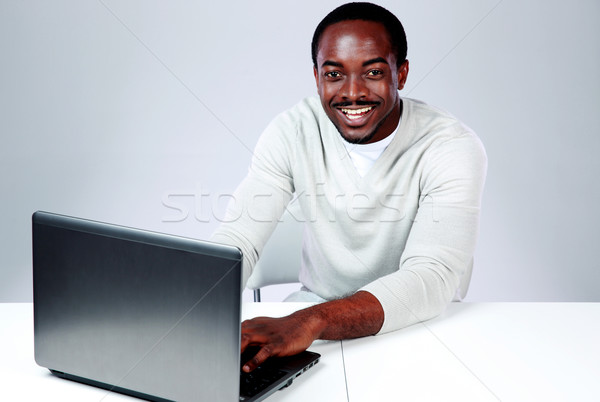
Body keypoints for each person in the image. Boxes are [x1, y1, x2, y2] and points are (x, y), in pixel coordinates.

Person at [211, 2, 487, 373]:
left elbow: (431, 278)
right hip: (312, 309)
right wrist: (186, 316)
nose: (353, 93)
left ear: (401, 73)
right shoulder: (293, 130)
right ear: (316, 77)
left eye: (373, 72)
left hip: (419, 321)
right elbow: (238, 237)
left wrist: (311, 321)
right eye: (334, 74)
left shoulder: (451, 146)